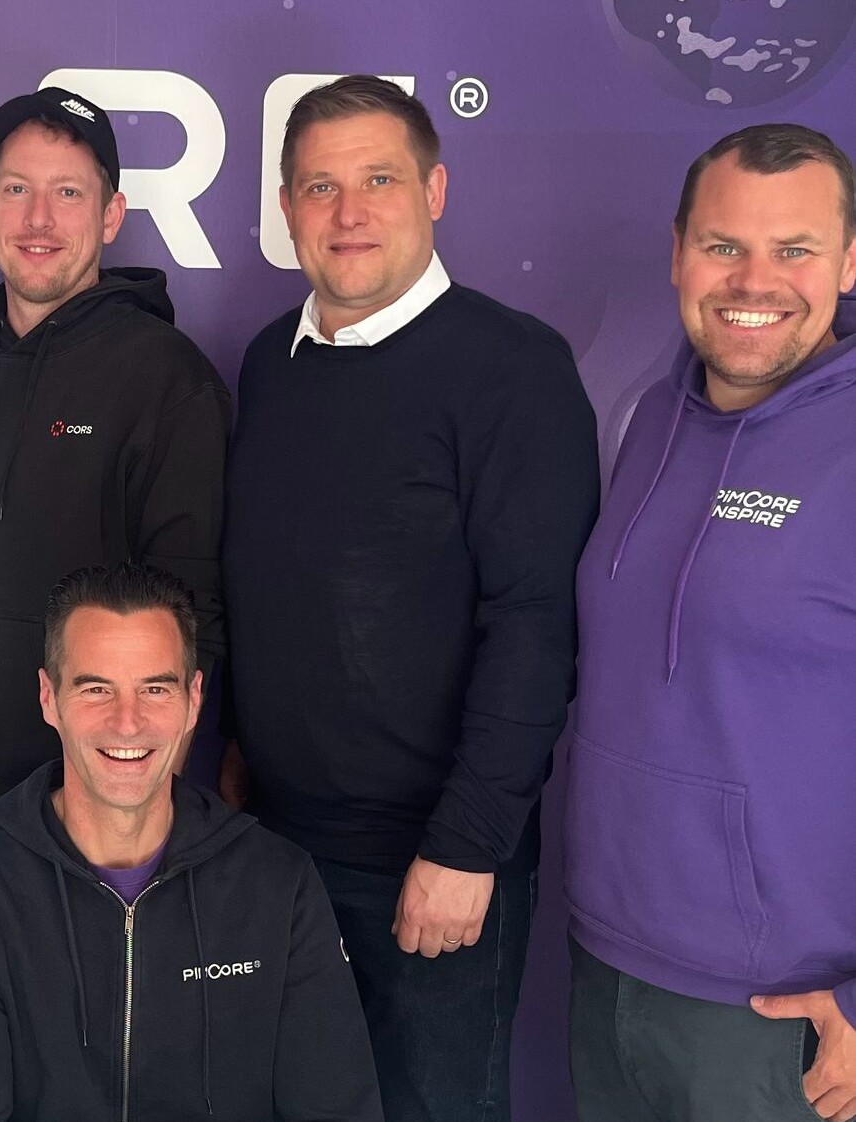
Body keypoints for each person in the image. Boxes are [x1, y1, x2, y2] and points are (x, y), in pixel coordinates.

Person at [220, 75, 599, 1120]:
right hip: (280, 850)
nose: (349, 212)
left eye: (379, 180)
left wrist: (466, 845)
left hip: (431, 861)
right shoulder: (269, 363)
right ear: (287, 206)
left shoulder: (512, 368)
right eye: (320, 186)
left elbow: (535, 625)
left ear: (434, 190)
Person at [565, 123, 856, 1122]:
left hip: (777, 1012)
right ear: (678, 252)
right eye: (724, 244)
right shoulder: (655, 417)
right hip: (608, 964)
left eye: (794, 249)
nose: (754, 280)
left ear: (848, 262)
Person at [0, 562, 381, 1122]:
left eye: (155, 689)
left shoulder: (279, 884)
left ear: (194, 699)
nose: (127, 723)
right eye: (96, 689)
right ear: (48, 698)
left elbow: (336, 1107)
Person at [0, 86, 229, 876]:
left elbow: (194, 611)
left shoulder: (166, 377)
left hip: (95, 806)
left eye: (68, 193)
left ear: (110, 216)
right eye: (17, 189)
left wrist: (141, 807)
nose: (38, 219)